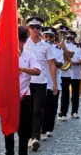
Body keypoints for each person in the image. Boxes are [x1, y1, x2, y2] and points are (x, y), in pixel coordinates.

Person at [4, 26, 41, 155]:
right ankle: (9, 152)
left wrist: (24, 69)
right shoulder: (6, 56)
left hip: (24, 97)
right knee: (8, 129)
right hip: (9, 98)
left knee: (23, 131)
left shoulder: (29, 56)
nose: (18, 44)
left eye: (20, 41)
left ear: (24, 42)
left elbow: (37, 71)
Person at [23, 17, 57, 151]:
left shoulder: (46, 46)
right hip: (26, 82)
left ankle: (35, 137)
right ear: (28, 29)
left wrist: (54, 83)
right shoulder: (23, 44)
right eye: (33, 27)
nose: (36, 30)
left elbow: (51, 64)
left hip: (41, 82)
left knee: (38, 110)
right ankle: (27, 136)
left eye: (38, 27)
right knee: (27, 111)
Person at [41, 27, 64, 140]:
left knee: (52, 107)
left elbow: (60, 64)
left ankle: (49, 128)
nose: (48, 38)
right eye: (46, 36)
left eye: (51, 36)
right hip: (43, 80)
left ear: (54, 37)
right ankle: (42, 129)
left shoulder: (58, 49)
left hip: (55, 81)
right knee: (42, 107)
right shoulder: (39, 47)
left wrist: (51, 59)